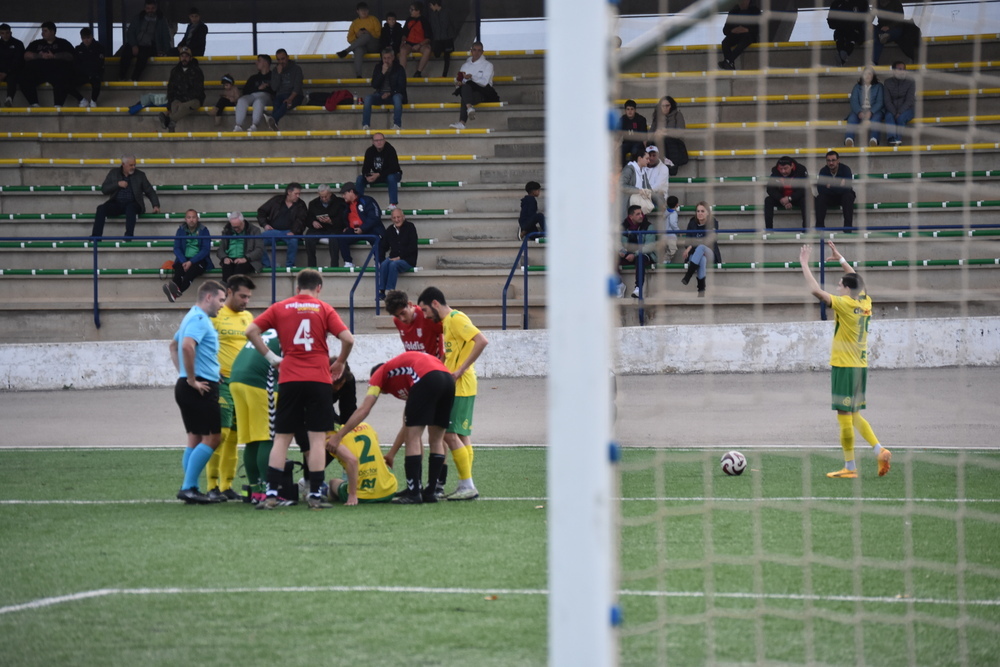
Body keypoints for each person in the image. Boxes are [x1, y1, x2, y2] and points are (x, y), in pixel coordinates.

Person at [245, 269, 355, 510]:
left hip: (290, 378)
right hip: (318, 379)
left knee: (282, 438)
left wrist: (273, 358)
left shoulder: (280, 307)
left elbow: (250, 331)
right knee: (317, 440)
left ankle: (272, 494)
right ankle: (315, 495)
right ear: (319, 288)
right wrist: (340, 362)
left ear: (297, 288)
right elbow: (348, 339)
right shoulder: (324, 308)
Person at [799, 240, 892, 479]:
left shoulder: (845, 304)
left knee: (844, 416)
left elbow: (815, 291)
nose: (838, 287)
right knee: (856, 414)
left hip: (845, 366)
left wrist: (804, 263)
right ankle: (878, 450)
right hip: (861, 366)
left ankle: (850, 467)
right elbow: (855, 279)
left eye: (840, 285)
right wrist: (840, 258)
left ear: (847, 290)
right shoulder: (865, 302)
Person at [332, 350, 455, 504]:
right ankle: (430, 492)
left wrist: (339, 435)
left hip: (427, 378)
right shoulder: (406, 378)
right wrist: (391, 453)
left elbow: (364, 409)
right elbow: (407, 424)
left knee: (413, 438)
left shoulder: (379, 375)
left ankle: (414, 493)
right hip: (447, 379)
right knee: (436, 439)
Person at [417, 286, 487, 500]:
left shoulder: (456, 318)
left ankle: (467, 485)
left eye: (426, 310)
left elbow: (481, 340)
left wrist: (460, 370)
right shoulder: (448, 323)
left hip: (461, 385)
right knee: (462, 435)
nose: (426, 316)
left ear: (435, 303)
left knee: (447, 434)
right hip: (461, 384)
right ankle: (465, 484)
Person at [170, 279, 227, 504]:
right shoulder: (200, 319)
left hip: (189, 385)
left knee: (194, 438)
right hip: (200, 388)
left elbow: (173, 345)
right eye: (221, 300)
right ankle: (188, 487)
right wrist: (193, 378)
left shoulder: (190, 316)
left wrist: (184, 374)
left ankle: (191, 487)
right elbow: (185, 346)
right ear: (209, 297)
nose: (223, 305)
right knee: (213, 437)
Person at [206, 275, 255, 501]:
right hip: (221, 383)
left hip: (242, 385)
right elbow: (198, 343)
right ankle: (211, 485)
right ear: (229, 292)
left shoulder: (248, 317)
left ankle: (226, 486)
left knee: (235, 437)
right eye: (242, 296)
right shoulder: (215, 315)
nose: (246, 301)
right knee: (221, 434)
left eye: (249, 297)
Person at [229, 327, 281, 504]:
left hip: (236, 379)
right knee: (267, 436)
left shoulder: (270, 330)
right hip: (259, 382)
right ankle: (269, 491)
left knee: (252, 438)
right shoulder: (293, 330)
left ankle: (256, 491)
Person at [323, 422, 398, 503]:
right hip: (389, 490)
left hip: (362, 496)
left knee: (333, 482)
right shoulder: (366, 426)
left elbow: (352, 461)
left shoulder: (330, 439)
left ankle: (320, 493)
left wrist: (352, 494)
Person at [91, 154, 160, 239]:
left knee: (130, 208)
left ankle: (128, 236)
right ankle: (96, 237)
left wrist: (155, 205)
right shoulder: (113, 173)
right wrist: (117, 184)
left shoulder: (140, 175)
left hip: (134, 203)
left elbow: (149, 191)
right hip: (116, 204)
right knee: (101, 208)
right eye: (131, 165)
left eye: (134, 165)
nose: (134, 167)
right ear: (123, 164)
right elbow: (104, 189)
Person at [20, 22, 75, 107]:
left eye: (45, 31)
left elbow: (70, 56)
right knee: (23, 78)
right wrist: (39, 56)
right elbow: (26, 55)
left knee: (63, 79)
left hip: (57, 73)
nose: (42, 33)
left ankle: (58, 105)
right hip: (38, 73)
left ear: (52, 31)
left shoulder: (63, 43)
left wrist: (54, 56)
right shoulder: (36, 43)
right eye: (42, 31)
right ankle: (34, 104)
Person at [164, 209, 213, 302]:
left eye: (193, 217)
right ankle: (174, 294)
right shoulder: (180, 230)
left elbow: (205, 250)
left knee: (190, 273)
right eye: (189, 217)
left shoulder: (204, 230)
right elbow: (176, 248)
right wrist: (184, 261)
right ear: (185, 219)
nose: (191, 220)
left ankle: (176, 292)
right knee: (178, 272)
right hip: (184, 259)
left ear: (197, 218)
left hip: (199, 260)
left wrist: (191, 262)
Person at [449, 41, 499, 130]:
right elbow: (459, 81)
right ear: (471, 51)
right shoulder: (465, 65)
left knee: (466, 90)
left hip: (484, 93)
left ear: (482, 52)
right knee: (465, 87)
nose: (477, 53)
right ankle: (468, 109)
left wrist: (472, 77)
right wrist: (458, 83)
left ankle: (463, 121)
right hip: (468, 93)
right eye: (475, 50)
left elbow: (484, 83)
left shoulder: (488, 65)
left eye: (479, 50)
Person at [257, 182, 308, 269]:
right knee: (257, 240)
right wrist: (265, 225)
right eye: (296, 193)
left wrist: (294, 232)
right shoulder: (276, 200)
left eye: (299, 194)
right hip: (274, 230)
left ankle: (290, 266)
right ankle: (267, 265)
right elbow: (261, 212)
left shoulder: (301, 204)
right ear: (289, 192)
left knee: (293, 241)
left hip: (290, 231)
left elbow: (302, 220)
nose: (298, 196)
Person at [118, 0, 171, 81]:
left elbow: (166, 36)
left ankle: (134, 79)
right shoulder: (138, 18)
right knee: (126, 53)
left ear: (156, 8)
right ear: (145, 8)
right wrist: (134, 45)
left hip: (149, 46)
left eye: (152, 8)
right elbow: (130, 32)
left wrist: (164, 51)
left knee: (143, 57)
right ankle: (121, 77)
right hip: (136, 44)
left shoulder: (161, 20)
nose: (150, 10)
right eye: (148, 8)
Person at [385, 289, 443, 359]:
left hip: (435, 365)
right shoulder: (396, 321)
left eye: (403, 313)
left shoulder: (427, 316)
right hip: (414, 366)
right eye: (397, 316)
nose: (402, 319)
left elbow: (450, 334)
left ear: (409, 304)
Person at [680, 201, 722, 297]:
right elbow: (687, 242)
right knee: (701, 259)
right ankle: (701, 290)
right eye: (698, 211)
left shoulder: (713, 222)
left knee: (702, 247)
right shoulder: (692, 223)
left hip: (709, 253)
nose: (700, 213)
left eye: (702, 211)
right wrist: (690, 246)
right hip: (695, 255)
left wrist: (691, 246)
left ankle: (688, 275)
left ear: (708, 212)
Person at [159, 46, 204, 132]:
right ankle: (171, 130)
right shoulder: (175, 71)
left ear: (190, 58)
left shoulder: (197, 71)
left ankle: (168, 120)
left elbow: (198, 91)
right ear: (179, 58)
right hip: (178, 99)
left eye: (186, 56)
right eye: (182, 56)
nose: (184, 58)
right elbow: (171, 89)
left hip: (193, 100)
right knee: (174, 105)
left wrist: (184, 101)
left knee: (183, 107)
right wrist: (169, 106)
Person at [338, 183, 383, 268]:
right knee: (342, 238)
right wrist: (347, 226)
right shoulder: (345, 205)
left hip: (369, 229)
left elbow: (375, 216)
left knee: (376, 238)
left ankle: (378, 262)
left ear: (351, 191)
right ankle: (348, 262)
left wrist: (363, 228)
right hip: (354, 230)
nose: (343, 196)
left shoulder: (367, 200)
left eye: (344, 194)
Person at [616, 204, 656, 299]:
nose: (641, 216)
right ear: (631, 216)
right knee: (611, 258)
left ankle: (638, 288)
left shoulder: (648, 226)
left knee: (640, 258)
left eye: (641, 213)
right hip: (627, 254)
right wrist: (622, 252)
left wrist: (635, 254)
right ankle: (618, 284)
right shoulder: (623, 227)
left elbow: (650, 246)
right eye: (638, 214)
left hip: (644, 254)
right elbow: (617, 241)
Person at [361, 47, 407, 131]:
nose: (386, 60)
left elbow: (402, 87)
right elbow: (374, 85)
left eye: (388, 58)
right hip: (380, 95)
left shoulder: (399, 68)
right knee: (368, 98)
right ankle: (366, 125)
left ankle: (397, 125)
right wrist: (382, 73)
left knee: (397, 98)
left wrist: (390, 93)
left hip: (394, 95)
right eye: (384, 58)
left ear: (393, 58)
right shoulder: (378, 67)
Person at [304, 184, 347, 268]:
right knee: (308, 238)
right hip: (318, 229)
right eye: (321, 197)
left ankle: (334, 266)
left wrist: (331, 221)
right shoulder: (313, 203)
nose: (324, 199)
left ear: (330, 194)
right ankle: (311, 266)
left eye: (326, 196)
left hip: (334, 228)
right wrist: (313, 222)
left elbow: (343, 219)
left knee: (334, 239)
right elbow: (308, 218)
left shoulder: (340, 202)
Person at [379, 208, 418, 299]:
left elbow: (413, 247)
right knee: (384, 264)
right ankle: (381, 291)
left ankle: (390, 291)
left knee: (393, 265)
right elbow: (384, 246)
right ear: (391, 219)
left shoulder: (410, 227)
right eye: (394, 218)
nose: (397, 220)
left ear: (403, 217)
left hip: (408, 259)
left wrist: (400, 257)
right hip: (394, 257)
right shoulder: (389, 230)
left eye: (399, 217)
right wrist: (380, 259)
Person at [356, 132, 403, 208]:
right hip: (377, 175)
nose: (379, 142)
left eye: (381, 140)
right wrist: (367, 176)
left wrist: (378, 174)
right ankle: (357, 203)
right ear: (373, 142)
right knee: (360, 178)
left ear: (384, 140)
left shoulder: (390, 149)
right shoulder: (369, 151)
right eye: (376, 140)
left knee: (391, 177)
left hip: (392, 174)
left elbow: (393, 168)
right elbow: (365, 168)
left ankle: (393, 203)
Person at [338, 2, 382, 79]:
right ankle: (358, 75)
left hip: (373, 45)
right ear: (357, 11)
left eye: (365, 10)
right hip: (362, 46)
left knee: (366, 36)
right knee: (358, 50)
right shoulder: (355, 23)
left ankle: (347, 50)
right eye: (361, 10)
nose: (364, 12)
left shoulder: (373, 19)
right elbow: (349, 39)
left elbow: (379, 35)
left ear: (368, 11)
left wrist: (369, 33)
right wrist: (357, 35)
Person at [763, 155, 809, 229]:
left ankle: (806, 229)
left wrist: (790, 198)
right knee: (768, 200)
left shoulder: (801, 170)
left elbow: (804, 189)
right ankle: (769, 230)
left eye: (785, 168)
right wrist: (781, 199)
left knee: (805, 200)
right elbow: (770, 189)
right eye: (781, 169)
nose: (783, 171)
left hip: (796, 198)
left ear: (792, 166)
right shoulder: (775, 172)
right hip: (782, 199)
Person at [815, 151, 856, 230]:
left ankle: (848, 228)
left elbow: (847, 188)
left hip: (843, 197)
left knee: (848, 196)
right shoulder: (823, 171)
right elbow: (820, 189)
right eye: (828, 160)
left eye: (833, 160)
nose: (831, 163)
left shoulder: (846, 169)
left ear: (838, 160)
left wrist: (830, 186)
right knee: (820, 198)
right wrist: (839, 185)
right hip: (830, 198)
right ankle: (819, 228)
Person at [217, 211, 263, 281]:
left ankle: (231, 290)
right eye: (234, 227)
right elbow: (220, 249)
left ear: (243, 222)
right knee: (226, 268)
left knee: (239, 270)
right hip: (230, 259)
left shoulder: (254, 230)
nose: (236, 229)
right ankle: (229, 290)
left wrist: (246, 258)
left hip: (248, 259)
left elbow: (259, 249)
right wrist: (224, 258)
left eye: (238, 227)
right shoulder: (227, 231)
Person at [845, 66, 884, 147]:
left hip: (875, 110)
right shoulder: (857, 87)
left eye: (869, 74)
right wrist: (859, 111)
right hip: (860, 110)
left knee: (876, 118)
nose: (867, 76)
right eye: (865, 74)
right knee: (852, 118)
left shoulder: (879, 86)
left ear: (873, 75)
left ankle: (874, 140)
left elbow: (880, 102)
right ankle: (849, 139)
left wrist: (871, 111)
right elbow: (854, 101)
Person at [647, 95, 687, 175]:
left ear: (671, 106)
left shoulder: (677, 115)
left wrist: (665, 132)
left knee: (666, 139)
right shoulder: (657, 117)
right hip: (660, 142)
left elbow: (680, 132)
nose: (665, 108)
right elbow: (650, 134)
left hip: (675, 143)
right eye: (663, 106)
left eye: (667, 106)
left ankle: (671, 166)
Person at [232, 54, 273, 132]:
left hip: (266, 96)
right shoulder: (253, 78)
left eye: (259, 61)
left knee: (258, 101)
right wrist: (258, 88)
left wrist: (267, 87)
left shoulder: (273, 76)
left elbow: (276, 90)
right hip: (252, 96)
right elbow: (245, 91)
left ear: (265, 63)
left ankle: (254, 125)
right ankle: (238, 125)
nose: (256, 63)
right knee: (242, 100)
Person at [872, 0, 920, 65]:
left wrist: (889, 27)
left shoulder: (896, 3)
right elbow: (872, 16)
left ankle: (885, 36)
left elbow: (900, 19)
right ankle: (874, 61)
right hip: (881, 29)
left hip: (894, 29)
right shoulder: (876, 3)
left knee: (881, 38)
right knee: (871, 30)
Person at [266, 48, 303, 130]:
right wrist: (279, 74)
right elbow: (274, 88)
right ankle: (274, 124)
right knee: (276, 103)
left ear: (288, 57)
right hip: (280, 94)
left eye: (283, 59)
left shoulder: (296, 69)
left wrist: (290, 99)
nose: (281, 62)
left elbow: (297, 87)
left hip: (294, 95)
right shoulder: (276, 70)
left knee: (284, 103)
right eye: (278, 60)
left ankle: (273, 119)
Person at [718, 0, 761, 70]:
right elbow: (725, 30)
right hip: (736, 36)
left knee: (745, 39)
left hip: (749, 36)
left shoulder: (755, 11)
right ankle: (729, 63)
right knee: (725, 42)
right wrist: (733, 30)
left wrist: (747, 30)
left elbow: (759, 28)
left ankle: (728, 61)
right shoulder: (733, 12)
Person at [828, 0, 870, 66]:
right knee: (839, 37)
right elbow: (831, 22)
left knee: (852, 37)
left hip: (856, 30)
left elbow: (868, 18)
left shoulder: (862, 2)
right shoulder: (836, 3)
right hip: (841, 30)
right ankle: (842, 58)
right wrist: (843, 24)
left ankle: (841, 59)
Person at [69, 28, 104, 108]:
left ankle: (93, 101)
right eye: (84, 38)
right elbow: (76, 64)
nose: (86, 40)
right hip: (82, 74)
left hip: (95, 74)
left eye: (88, 38)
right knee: (66, 83)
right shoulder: (78, 49)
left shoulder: (99, 47)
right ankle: (82, 100)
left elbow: (99, 64)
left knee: (96, 80)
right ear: (81, 38)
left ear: (91, 37)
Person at [883, 61, 915, 146]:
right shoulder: (887, 82)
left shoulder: (911, 81)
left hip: (907, 109)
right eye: (900, 69)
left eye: (904, 69)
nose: (902, 71)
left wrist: (900, 112)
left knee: (901, 118)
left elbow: (909, 100)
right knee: (888, 116)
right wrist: (894, 113)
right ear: (893, 71)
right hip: (892, 109)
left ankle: (898, 139)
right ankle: (891, 138)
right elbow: (887, 100)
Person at [399, 2, 433, 77]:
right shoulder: (408, 19)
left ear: (418, 11)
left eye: (412, 9)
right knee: (403, 50)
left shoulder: (424, 21)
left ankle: (418, 72)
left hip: (421, 44)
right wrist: (403, 41)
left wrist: (419, 45)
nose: (410, 11)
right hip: (409, 43)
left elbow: (428, 38)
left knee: (427, 50)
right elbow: (404, 33)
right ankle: (402, 73)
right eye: (410, 9)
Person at [619, 149, 652, 222]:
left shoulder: (643, 171)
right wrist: (638, 191)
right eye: (647, 159)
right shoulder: (628, 169)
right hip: (628, 206)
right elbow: (621, 186)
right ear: (639, 158)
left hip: (638, 206)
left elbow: (649, 189)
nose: (648, 161)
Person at [644, 145, 672, 221]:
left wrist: (644, 191)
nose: (652, 158)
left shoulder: (664, 168)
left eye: (654, 155)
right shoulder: (642, 167)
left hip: (658, 197)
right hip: (644, 195)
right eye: (649, 155)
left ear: (658, 155)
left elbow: (658, 186)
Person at [428, 0, 456, 77]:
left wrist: (451, 35)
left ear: (436, 4)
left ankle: (444, 74)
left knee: (447, 56)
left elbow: (452, 24)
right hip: (438, 39)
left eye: (431, 5)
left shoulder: (447, 12)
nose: (430, 7)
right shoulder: (432, 14)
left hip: (447, 38)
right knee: (436, 53)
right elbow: (433, 27)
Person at [0, 23, 26, 107]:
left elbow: (18, 61)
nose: (5, 35)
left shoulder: (18, 44)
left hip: (13, 71)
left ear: (11, 33)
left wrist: (6, 72)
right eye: (2, 33)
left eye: (7, 33)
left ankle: (9, 98)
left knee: (12, 77)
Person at [619, 99, 647, 167]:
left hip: (638, 142)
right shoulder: (622, 120)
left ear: (635, 110)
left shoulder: (641, 119)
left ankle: (634, 170)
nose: (630, 111)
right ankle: (623, 170)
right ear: (625, 110)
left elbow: (644, 137)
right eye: (628, 109)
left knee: (635, 151)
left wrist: (646, 149)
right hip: (627, 142)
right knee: (620, 151)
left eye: (632, 109)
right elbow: (618, 136)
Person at [662, 195, 681, 264]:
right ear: (677, 204)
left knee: (667, 249)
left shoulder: (665, 212)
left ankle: (666, 261)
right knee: (672, 250)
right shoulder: (674, 213)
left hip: (664, 235)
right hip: (671, 236)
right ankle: (665, 261)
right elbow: (673, 223)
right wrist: (678, 231)